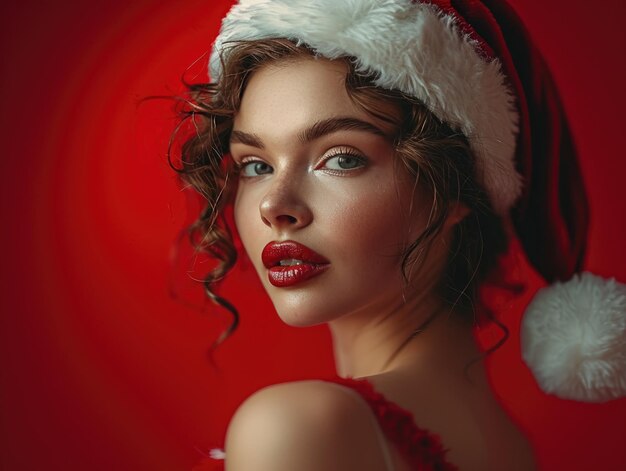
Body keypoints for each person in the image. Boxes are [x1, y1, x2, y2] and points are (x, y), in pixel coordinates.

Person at [170, 1, 626, 470]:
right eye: (256, 165)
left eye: (342, 158)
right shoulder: (507, 442)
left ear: (451, 184)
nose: (273, 205)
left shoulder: (301, 429)